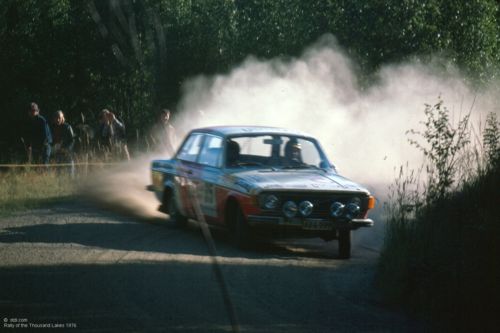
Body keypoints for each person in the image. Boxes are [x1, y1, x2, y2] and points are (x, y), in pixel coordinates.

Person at [50, 110, 75, 175]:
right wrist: (53, 147)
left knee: (70, 171)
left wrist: (67, 149)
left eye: (59, 118)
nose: (58, 120)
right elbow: (50, 140)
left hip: (67, 152)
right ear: (54, 119)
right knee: (58, 171)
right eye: (56, 118)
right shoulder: (52, 127)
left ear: (62, 118)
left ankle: (71, 181)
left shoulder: (67, 127)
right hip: (58, 152)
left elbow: (72, 140)